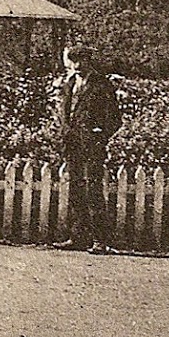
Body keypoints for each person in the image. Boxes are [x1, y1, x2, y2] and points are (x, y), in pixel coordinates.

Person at [56, 47, 122, 252]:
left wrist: (100, 134)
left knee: (93, 190)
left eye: (81, 61)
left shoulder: (101, 85)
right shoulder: (69, 84)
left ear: (89, 61)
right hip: (72, 143)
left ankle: (100, 240)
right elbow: (64, 112)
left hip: (92, 146)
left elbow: (115, 118)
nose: (77, 66)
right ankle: (78, 237)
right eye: (73, 61)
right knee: (76, 189)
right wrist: (65, 130)